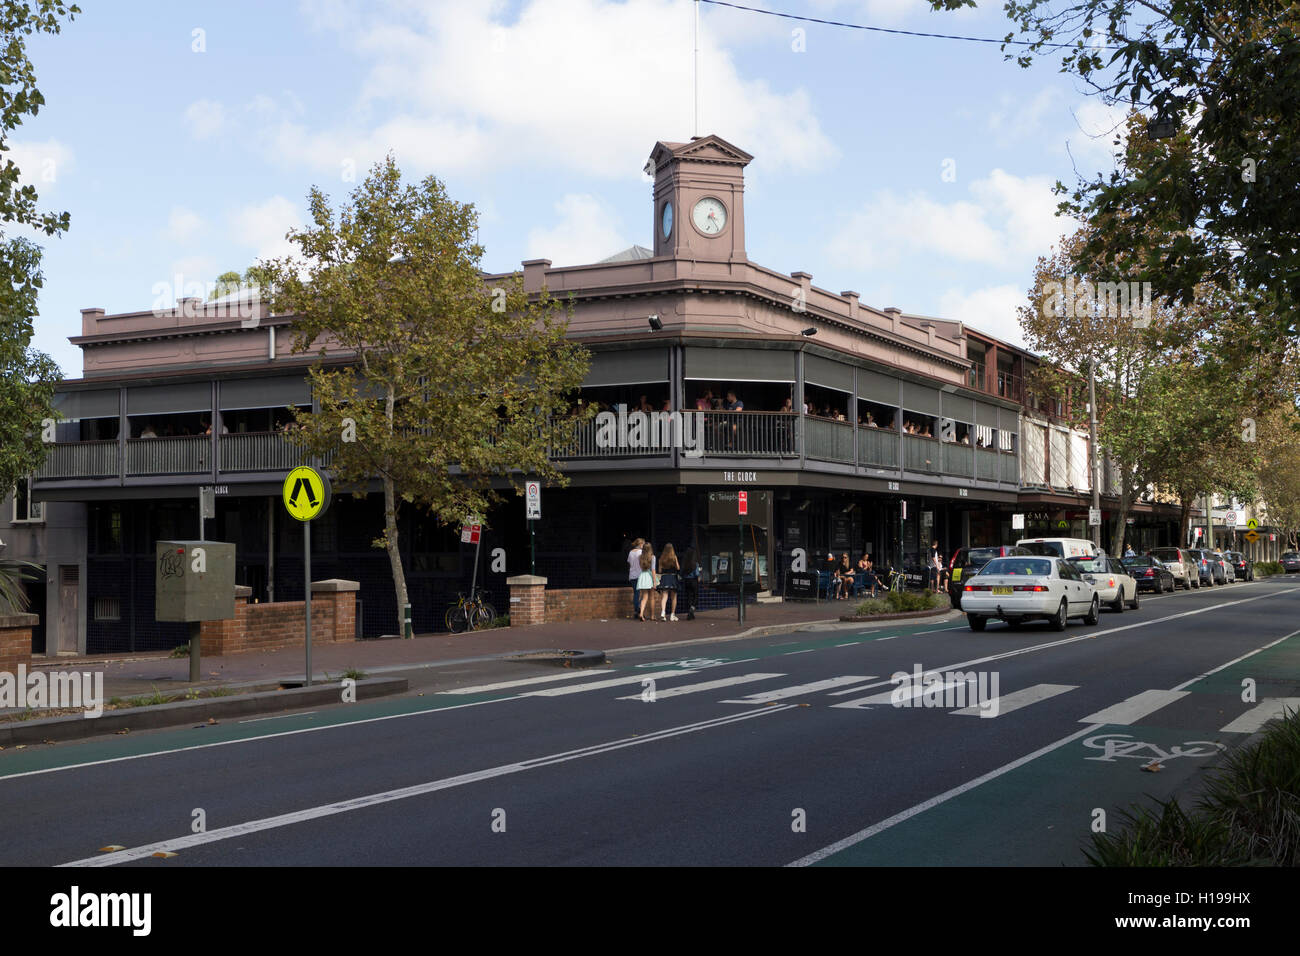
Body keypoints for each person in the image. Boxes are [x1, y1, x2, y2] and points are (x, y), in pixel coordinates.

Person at [658, 543, 681, 621]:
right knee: (674, 597)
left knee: (664, 596)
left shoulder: (661, 558)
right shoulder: (674, 557)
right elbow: (678, 568)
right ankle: (672, 615)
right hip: (672, 577)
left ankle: (663, 613)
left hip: (664, 577)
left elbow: (660, 570)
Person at [637, 543, 658, 622]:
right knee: (652, 597)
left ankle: (641, 613)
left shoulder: (640, 557)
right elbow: (653, 570)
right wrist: (654, 581)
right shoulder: (653, 557)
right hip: (649, 576)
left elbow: (641, 567)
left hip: (642, 576)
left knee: (644, 597)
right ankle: (652, 616)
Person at [680, 547, 700, 620]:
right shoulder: (695, 564)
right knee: (695, 596)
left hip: (686, 581)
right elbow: (697, 574)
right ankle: (692, 609)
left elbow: (681, 573)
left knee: (689, 596)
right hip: (694, 581)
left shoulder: (684, 563)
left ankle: (690, 613)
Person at [627, 538, 645, 618]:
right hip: (640, 574)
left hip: (632, 575)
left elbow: (629, 563)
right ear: (640, 544)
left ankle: (636, 611)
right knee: (644, 594)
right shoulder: (641, 552)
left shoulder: (630, 552)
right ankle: (638, 610)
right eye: (643, 544)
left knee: (636, 593)